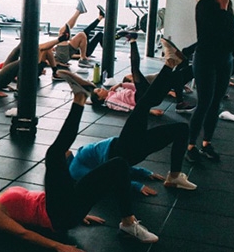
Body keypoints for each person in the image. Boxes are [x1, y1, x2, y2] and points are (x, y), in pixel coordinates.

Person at [0, 81, 160, 251]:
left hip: (65, 206)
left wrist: (80, 213)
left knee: (119, 164)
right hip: (58, 215)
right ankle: (79, 99)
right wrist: (58, 246)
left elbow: (35, 202)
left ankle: (128, 223)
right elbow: (23, 234)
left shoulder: (0, 199)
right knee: (55, 154)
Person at [63, 41, 197, 194]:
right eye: (61, 152)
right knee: (143, 104)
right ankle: (170, 63)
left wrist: (144, 173)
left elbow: (121, 168)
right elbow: (104, 178)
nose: (65, 150)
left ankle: (174, 177)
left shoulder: (79, 155)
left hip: (127, 148)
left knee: (181, 129)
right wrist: (136, 186)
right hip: (119, 152)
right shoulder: (74, 169)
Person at [186, 0, 234, 164]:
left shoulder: (226, 5)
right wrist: (222, 8)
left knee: (216, 103)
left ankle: (207, 143)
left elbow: (227, 29)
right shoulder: (204, 5)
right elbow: (210, 34)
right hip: (206, 59)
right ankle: (190, 146)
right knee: (204, 102)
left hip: (224, 59)